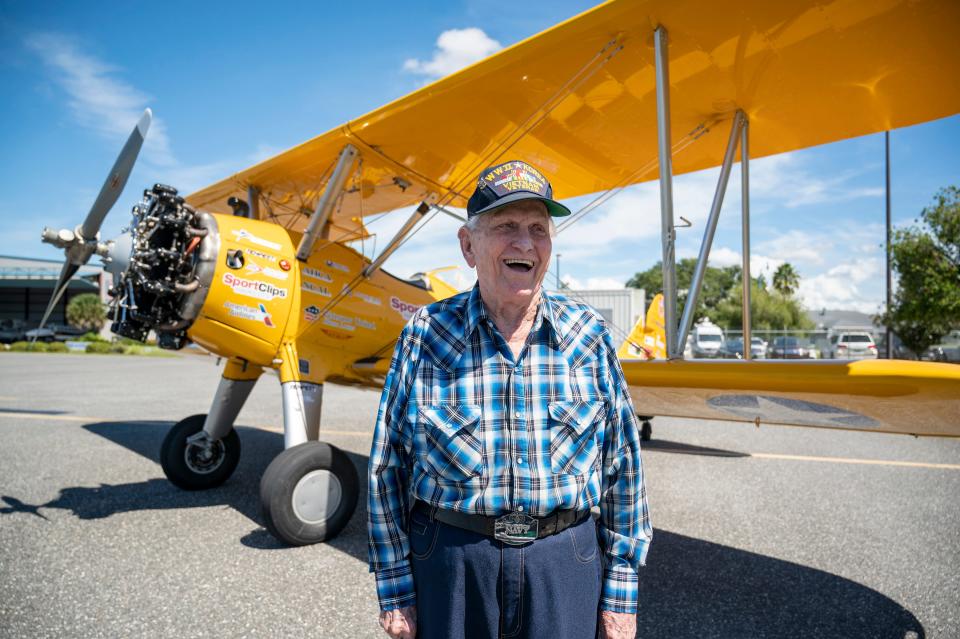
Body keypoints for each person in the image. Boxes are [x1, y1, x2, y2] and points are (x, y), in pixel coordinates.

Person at [367, 160, 652, 639]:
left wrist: (621, 594)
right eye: (506, 226)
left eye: (538, 229)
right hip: (452, 565)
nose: (525, 243)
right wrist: (395, 590)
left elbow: (624, 468)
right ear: (468, 246)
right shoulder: (425, 333)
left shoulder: (588, 335)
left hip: (564, 562)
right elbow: (386, 467)